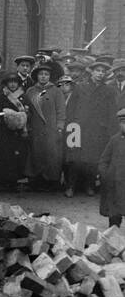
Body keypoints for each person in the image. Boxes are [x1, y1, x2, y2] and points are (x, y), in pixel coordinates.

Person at [65, 57, 117, 196]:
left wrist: (109, 129)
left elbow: (112, 112)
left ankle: (90, 185)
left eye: (102, 71)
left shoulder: (109, 91)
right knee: (75, 158)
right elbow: (71, 107)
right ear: (91, 72)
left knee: (93, 160)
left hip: (98, 129)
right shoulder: (80, 87)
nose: (100, 73)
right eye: (97, 71)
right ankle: (70, 186)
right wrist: (70, 126)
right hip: (78, 127)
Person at [23, 62, 64, 190]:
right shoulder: (30, 91)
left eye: (46, 74)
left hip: (51, 128)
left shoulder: (56, 91)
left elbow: (61, 110)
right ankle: (36, 181)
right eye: (41, 74)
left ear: (50, 77)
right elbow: (26, 110)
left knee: (52, 154)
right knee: (35, 153)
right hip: (35, 128)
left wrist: (59, 126)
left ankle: (51, 181)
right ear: (37, 76)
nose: (43, 77)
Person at [0, 73, 30, 190]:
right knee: (2, 156)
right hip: (3, 132)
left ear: (18, 83)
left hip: (17, 133)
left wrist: (20, 118)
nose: (12, 84)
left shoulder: (24, 97)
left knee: (15, 157)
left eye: (15, 82)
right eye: (10, 82)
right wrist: (5, 117)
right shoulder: (0, 97)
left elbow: (28, 113)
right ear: (6, 84)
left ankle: (12, 182)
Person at [98, 108, 125, 228]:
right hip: (115, 184)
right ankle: (113, 236)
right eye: (122, 123)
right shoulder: (115, 140)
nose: (123, 125)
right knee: (114, 217)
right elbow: (104, 160)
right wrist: (106, 175)